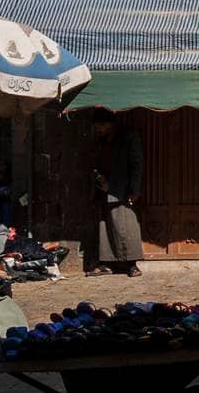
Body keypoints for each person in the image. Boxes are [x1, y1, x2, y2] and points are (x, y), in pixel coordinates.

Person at [87, 109, 143, 278]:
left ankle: (131, 264)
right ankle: (107, 263)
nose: (98, 130)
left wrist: (134, 188)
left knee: (124, 225)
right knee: (106, 225)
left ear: (110, 124)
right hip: (104, 188)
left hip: (121, 188)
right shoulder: (101, 140)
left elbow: (136, 164)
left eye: (101, 127)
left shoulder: (128, 137)